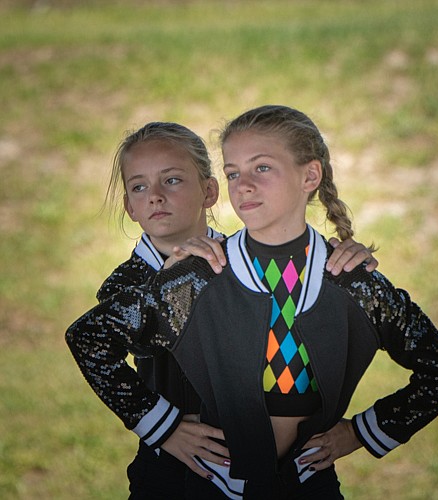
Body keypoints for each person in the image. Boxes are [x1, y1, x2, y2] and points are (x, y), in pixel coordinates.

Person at [72, 119, 378, 499]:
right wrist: (163, 429)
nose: (154, 195)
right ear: (129, 207)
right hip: (178, 467)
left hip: (287, 465)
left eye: (171, 180)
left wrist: (345, 260)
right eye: (138, 186)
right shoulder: (124, 285)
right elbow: (96, 350)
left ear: (209, 190)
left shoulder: (248, 260)